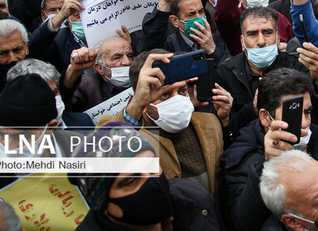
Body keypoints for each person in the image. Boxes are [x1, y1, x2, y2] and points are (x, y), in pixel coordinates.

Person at [97, 50, 229, 201]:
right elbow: (100, 165)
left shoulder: (209, 123)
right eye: (165, 95)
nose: (177, 100)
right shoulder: (131, 136)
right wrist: (137, 104)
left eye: (182, 91)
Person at [222, 68, 318, 231]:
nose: (304, 123)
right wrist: (266, 167)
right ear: (265, 117)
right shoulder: (241, 159)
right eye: (293, 114)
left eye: (308, 112)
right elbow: (242, 224)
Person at [70, 122, 222, 231]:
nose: (152, 182)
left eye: (152, 167)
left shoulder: (193, 199)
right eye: (131, 181)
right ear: (102, 204)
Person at [0, 74, 80, 193]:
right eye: (2, 134)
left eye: (22, 137)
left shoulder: (83, 151)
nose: (9, 147)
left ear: (50, 128)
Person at [61, 36, 134, 112]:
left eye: (130, 56)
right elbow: (65, 107)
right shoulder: (86, 87)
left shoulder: (141, 78)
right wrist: (73, 71)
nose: (127, 62)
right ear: (100, 68)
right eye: (117, 58)